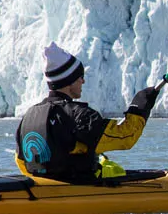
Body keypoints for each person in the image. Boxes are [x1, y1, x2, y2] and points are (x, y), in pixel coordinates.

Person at [15, 43, 160, 182]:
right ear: (69, 81)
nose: (83, 81)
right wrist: (139, 106)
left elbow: (21, 160)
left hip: (40, 189)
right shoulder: (80, 115)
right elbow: (125, 137)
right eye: (80, 77)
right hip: (80, 189)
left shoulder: (29, 115)